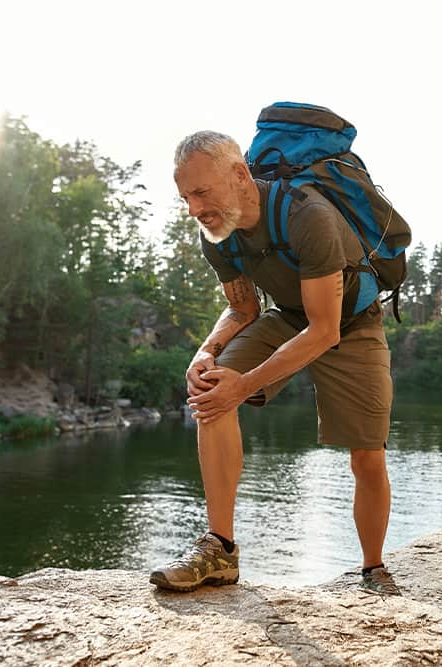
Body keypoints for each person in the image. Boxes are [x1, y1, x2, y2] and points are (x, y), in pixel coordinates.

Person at [149, 130, 400, 595]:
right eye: (185, 197)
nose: (193, 209)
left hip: (350, 323)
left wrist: (243, 385)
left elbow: (324, 330)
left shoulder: (308, 216)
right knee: (211, 387)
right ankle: (219, 550)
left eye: (201, 192)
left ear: (240, 175)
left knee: (367, 455)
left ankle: (373, 570)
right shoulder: (217, 234)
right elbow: (243, 309)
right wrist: (207, 352)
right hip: (286, 317)